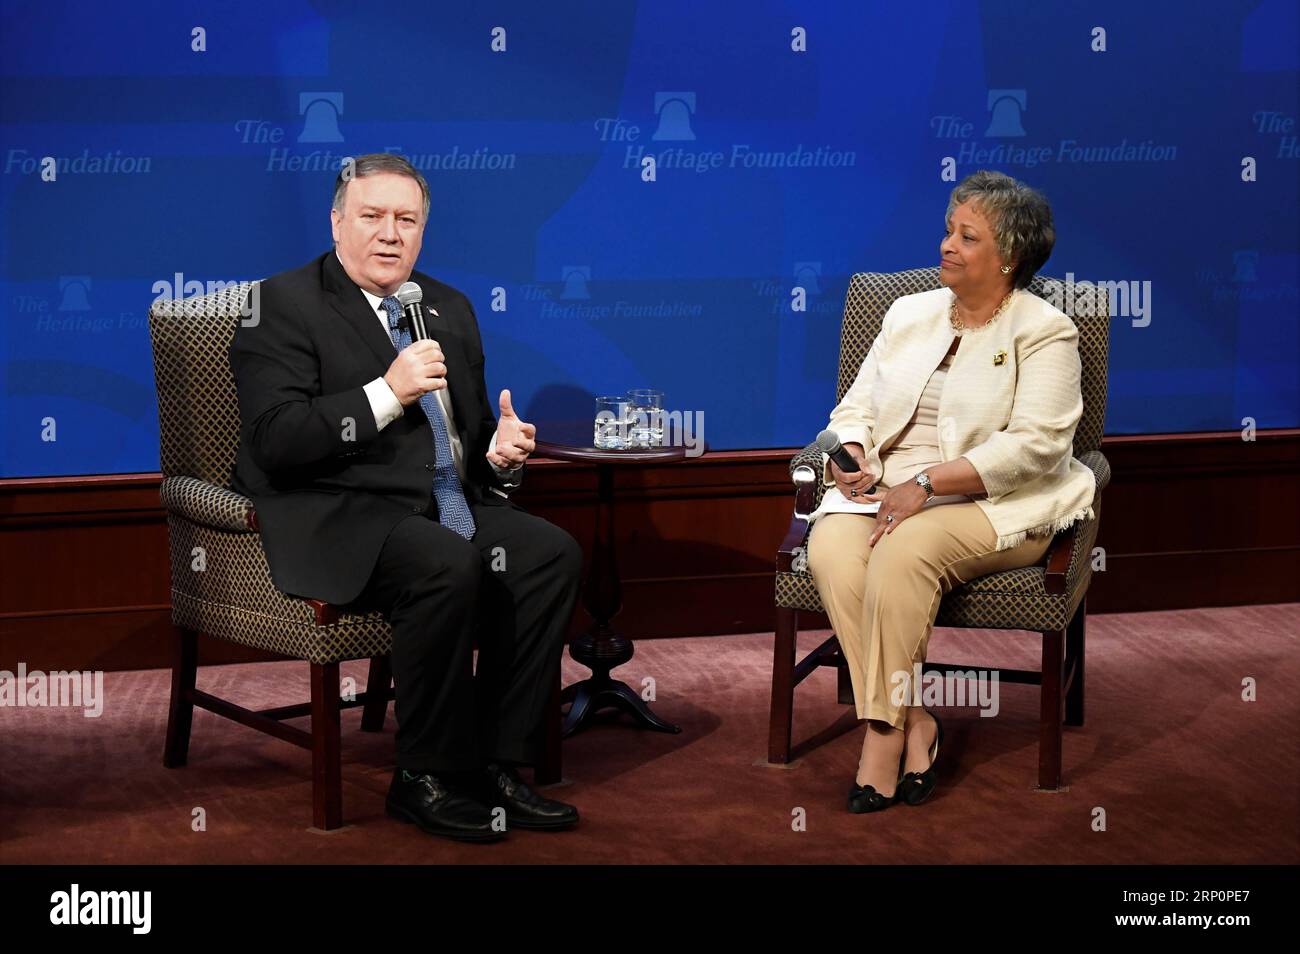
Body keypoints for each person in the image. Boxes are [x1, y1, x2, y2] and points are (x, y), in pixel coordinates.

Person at [228, 153, 583, 842]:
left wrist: (498, 454)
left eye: (406, 220)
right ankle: (425, 775)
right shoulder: (276, 305)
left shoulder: (445, 306)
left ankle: (497, 763)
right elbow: (276, 441)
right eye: (372, 217)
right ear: (337, 222)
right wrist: (387, 392)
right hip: (337, 512)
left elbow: (470, 441)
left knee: (549, 554)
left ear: (422, 232)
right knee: (444, 563)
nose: (389, 234)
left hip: (441, 506)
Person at [806, 170, 1096, 813]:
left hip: (992, 501)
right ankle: (917, 721)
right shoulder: (908, 313)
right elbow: (853, 409)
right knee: (830, 550)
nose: (947, 245)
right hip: (885, 488)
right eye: (948, 231)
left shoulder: (1045, 330)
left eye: (967, 237)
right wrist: (852, 452)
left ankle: (881, 735)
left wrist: (927, 484)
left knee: (904, 554)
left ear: (1009, 257)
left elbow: (1036, 447)